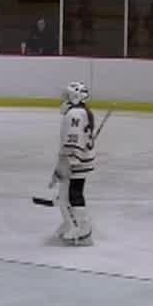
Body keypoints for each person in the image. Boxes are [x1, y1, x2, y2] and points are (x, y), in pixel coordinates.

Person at [53, 82, 97, 246]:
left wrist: (69, 162)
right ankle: (70, 222)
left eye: (67, 96)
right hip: (79, 158)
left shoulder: (75, 114)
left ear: (75, 97)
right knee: (65, 195)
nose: (64, 100)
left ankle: (84, 229)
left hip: (77, 161)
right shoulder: (80, 112)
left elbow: (74, 139)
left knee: (73, 193)